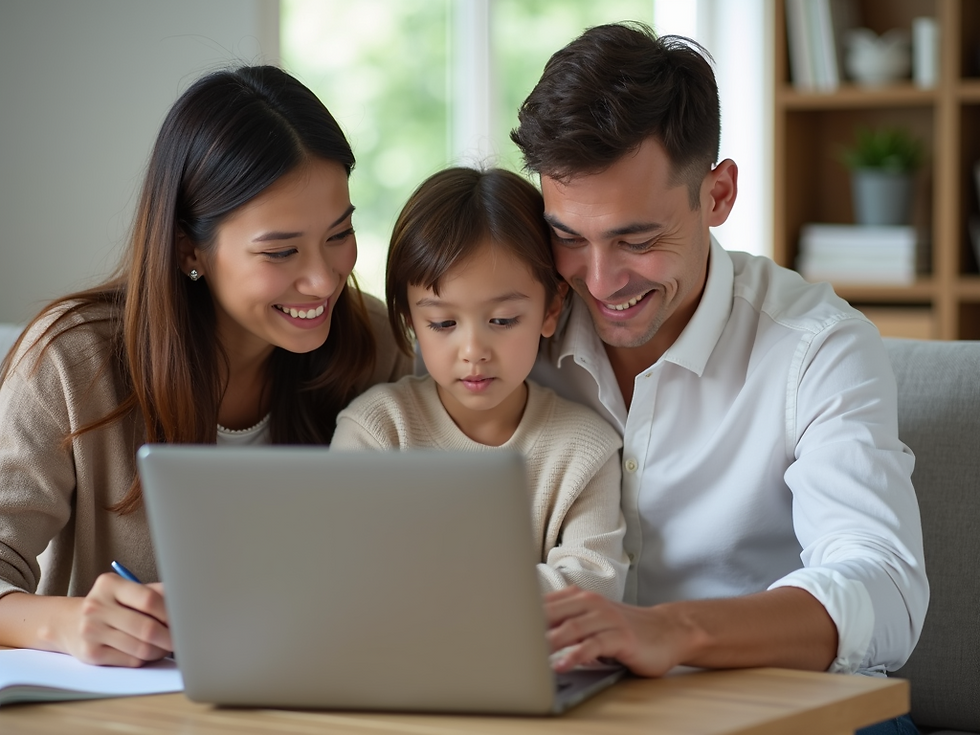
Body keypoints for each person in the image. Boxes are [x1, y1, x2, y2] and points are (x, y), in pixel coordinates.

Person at [512, 22, 927, 732]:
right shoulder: (511, 330)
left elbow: (883, 588)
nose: (601, 280)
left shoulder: (817, 347)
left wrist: (671, 630)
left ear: (718, 194)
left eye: (637, 239)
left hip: (780, 707)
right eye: (569, 238)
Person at [0, 66, 410, 667]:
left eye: (340, 233)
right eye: (281, 251)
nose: (325, 279)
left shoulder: (371, 340)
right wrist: (67, 623)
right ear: (189, 248)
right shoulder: (70, 362)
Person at [332, 167, 629, 599]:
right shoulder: (376, 430)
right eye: (443, 322)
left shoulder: (586, 449)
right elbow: (347, 572)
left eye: (503, 320)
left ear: (551, 310)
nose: (473, 350)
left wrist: (430, 591)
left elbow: (594, 585)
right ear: (410, 318)